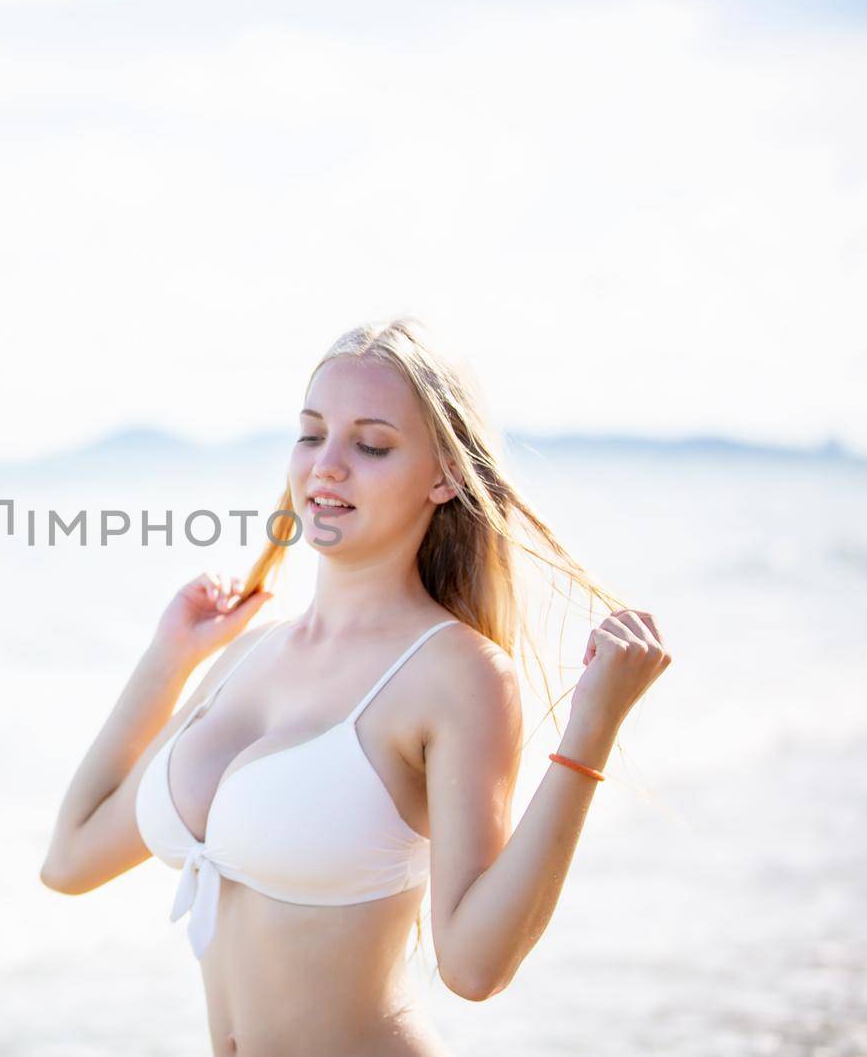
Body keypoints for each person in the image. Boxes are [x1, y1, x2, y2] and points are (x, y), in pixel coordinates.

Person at [39, 317, 672, 1056]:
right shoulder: (244, 658)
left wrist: (588, 734)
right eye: (311, 434)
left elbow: (474, 966)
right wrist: (166, 658)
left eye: (370, 444)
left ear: (445, 475)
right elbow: (70, 860)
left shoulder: (457, 674)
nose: (326, 467)